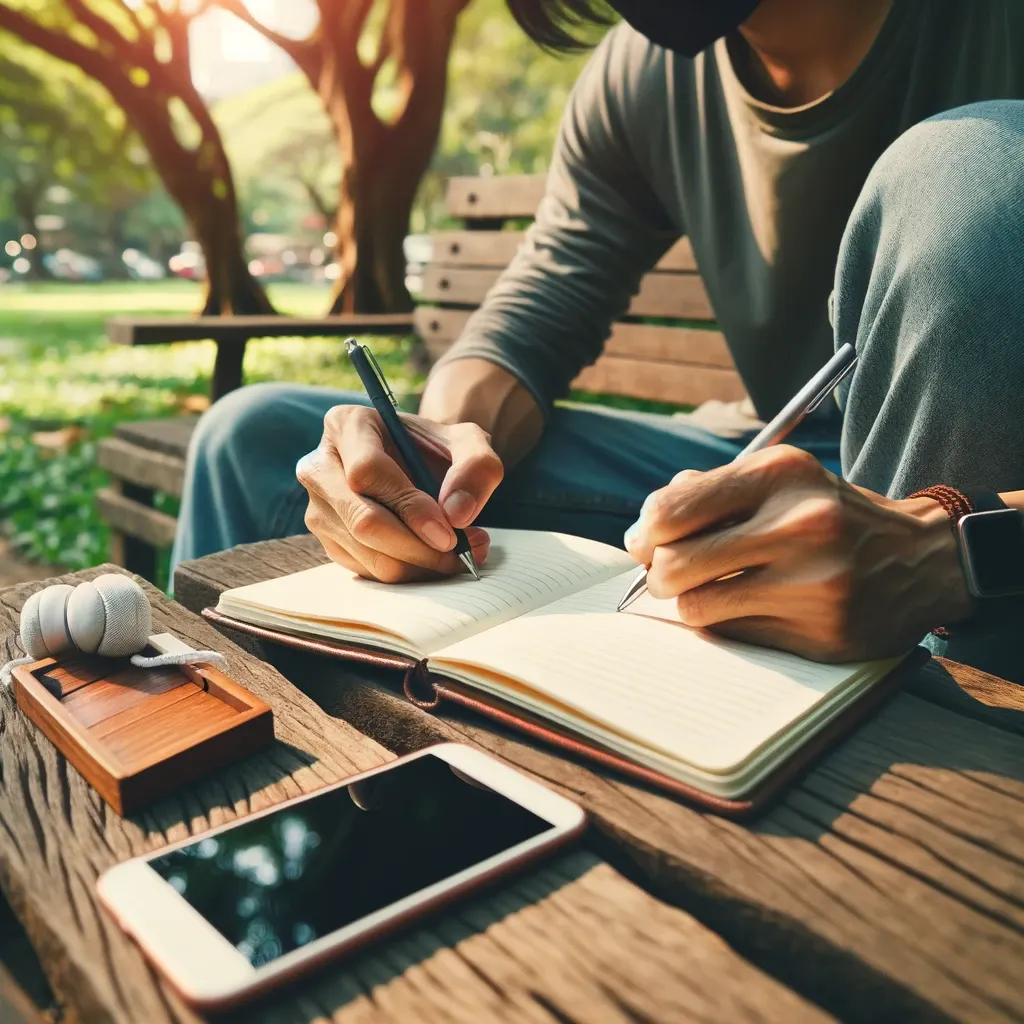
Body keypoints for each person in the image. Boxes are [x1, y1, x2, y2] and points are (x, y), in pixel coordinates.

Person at [172, 0, 1024, 681]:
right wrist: (434, 454)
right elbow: (537, 310)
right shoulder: (639, 74)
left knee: (969, 181)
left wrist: (953, 549)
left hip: (981, 529)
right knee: (256, 439)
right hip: (774, 468)